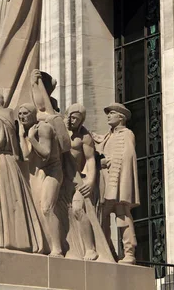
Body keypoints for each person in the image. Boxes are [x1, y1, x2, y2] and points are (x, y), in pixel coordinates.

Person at [0, 91, 45, 253]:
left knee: (4, 199)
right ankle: (17, 239)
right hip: (9, 162)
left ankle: (8, 239)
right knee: (12, 199)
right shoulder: (8, 120)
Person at [18, 103, 63, 257]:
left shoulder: (43, 128)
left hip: (52, 171)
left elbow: (45, 153)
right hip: (38, 172)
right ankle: (44, 244)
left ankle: (57, 248)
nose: (22, 116)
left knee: (46, 207)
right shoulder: (25, 131)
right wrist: (21, 136)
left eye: (25, 113)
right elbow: (25, 155)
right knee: (36, 208)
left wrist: (31, 138)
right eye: (20, 114)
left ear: (32, 114)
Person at [96, 103, 140, 264]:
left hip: (118, 182)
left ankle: (129, 253)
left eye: (112, 113)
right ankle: (108, 251)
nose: (108, 116)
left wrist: (111, 163)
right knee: (103, 216)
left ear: (120, 117)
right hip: (106, 183)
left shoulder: (126, 134)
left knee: (122, 215)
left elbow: (127, 156)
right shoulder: (108, 135)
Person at [65, 103, 99, 260]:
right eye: (71, 117)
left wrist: (91, 181)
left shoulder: (85, 137)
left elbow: (91, 159)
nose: (73, 120)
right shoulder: (62, 130)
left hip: (78, 179)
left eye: (77, 118)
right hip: (63, 178)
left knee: (78, 209)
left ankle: (90, 248)